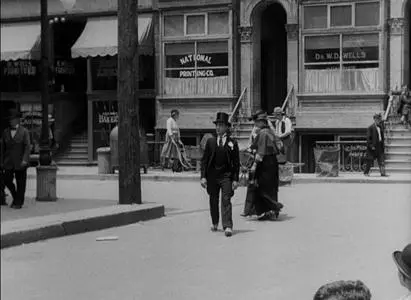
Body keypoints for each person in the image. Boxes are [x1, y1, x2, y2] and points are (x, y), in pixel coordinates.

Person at [200, 112, 240, 237]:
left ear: (226, 127)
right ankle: (215, 222)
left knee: (226, 199)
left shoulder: (232, 142)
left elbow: (236, 162)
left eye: (221, 125)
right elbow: (205, 161)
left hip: (226, 176)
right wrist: (203, 177)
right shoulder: (211, 142)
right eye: (217, 125)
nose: (218, 128)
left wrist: (235, 179)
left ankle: (227, 225)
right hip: (212, 176)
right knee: (213, 199)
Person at [249, 111, 284, 220]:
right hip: (271, 163)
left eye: (256, 122)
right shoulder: (269, 132)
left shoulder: (263, 133)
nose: (255, 124)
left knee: (263, 188)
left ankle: (272, 209)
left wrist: (255, 164)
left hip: (265, 164)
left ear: (261, 122)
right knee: (271, 187)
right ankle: (270, 211)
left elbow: (261, 151)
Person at [1, 109, 31, 209]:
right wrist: (2, 162)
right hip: (8, 162)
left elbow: (27, 146)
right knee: (7, 180)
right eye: (10, 119)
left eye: (12, 119)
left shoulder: (24, 131)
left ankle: (18, 202)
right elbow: (3, 148)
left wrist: (25, 159)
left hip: (21, 161)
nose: (11, 121)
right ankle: (15, 196)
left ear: (18, 120)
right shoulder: (5, 132)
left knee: (21, 183)